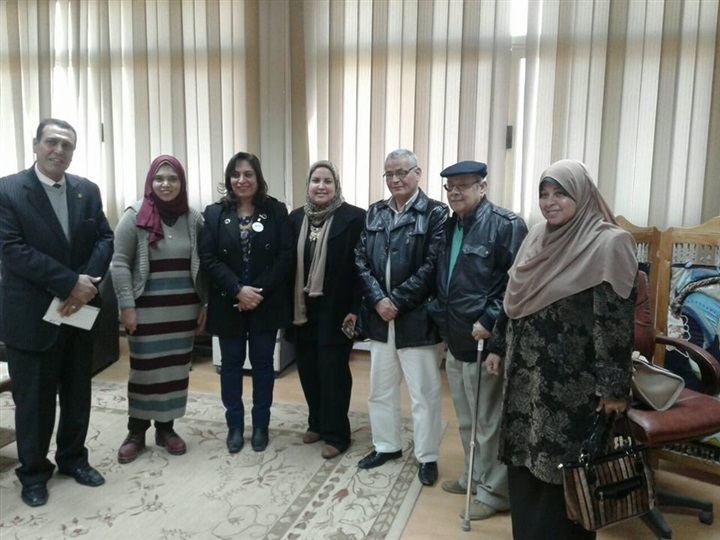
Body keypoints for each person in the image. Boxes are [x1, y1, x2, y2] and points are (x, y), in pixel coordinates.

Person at [485, 159, 637, 540]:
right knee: (525, 471)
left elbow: (614, 325)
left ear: (583, 195)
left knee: (565, 480)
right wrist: (498, 346)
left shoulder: (609, 243)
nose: (550, 202)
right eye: (544, 194)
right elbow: (512, 300)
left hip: (571, 390)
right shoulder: (537, 236)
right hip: (525, 380)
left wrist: (614, 389)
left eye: (560, 193)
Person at [0, 118, 114, 507]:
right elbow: (12, 250)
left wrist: (87, 285)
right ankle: (33, 472)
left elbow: (105, 238)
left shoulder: (87, 190)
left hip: (78, 312)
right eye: (52, 142)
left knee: (77, 393)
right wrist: (69, 283)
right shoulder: (7, 191)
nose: (59, 150)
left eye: (67, 145)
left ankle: (73, 459)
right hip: (31, 316)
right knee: (34, 402)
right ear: (35, 145)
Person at [428, 160, 527, 520]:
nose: (455, 193)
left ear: (482, 187)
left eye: (463, 186)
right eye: (450, 187)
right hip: (456, 337)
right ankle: (474, 476)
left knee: (489, 422)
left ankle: (496, 492)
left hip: (486, 339)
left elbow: (517, 284)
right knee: (467, 419)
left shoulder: (506, 225)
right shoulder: (449, 225)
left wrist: (491, 324)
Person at [354, 148, 448, 486]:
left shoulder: (436, 213)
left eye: (401, 172)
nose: (395, 180)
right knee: (380, 388)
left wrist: (397, 300)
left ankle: (427, 456)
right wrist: (379, 300)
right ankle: (387, 445)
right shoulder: (375, 212)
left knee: (424, 393)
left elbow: (433, 265)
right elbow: (360, 259)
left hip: (417, 318)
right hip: (381, 317)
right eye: (389, 174)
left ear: (417, 173)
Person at [111, 155, 207, 464]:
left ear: (182, 183)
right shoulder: (134, 216)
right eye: (159, 178)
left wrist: (204, 303)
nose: (166, 184)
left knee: (176, 370)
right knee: (144, 371)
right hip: (145, 311)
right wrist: (126, 305)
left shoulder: (194, 219)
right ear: (150, 181)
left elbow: (204, 265)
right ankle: (136, 432)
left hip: (183, 311)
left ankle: (166, 428)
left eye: (173, 178)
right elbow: (119, 264)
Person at [198, 152, 292, 454]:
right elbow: (208, 258)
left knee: (263, 366)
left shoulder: (276, 211)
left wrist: (256, 292)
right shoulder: (214, 213)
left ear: (258, 178)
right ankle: (235, 426)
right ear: (229, 179)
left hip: (266, 302)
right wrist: (238, 290)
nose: (242, 180)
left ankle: (261, 425)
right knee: (231, 366)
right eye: (236, 174)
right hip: (229, 302)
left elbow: (285, 257)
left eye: (248, 174)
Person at [286, 160, 366, 459]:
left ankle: (337, 434)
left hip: (337, 310)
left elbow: (361, 269)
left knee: (334, 373)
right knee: (308, 370)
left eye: (327, 181)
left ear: (336, 185)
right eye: (315, 180)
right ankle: (316, 423)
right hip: (302, 311)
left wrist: (356, 308)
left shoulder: (354, 218)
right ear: (308, 185)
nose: (321, 186)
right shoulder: (295, 218)